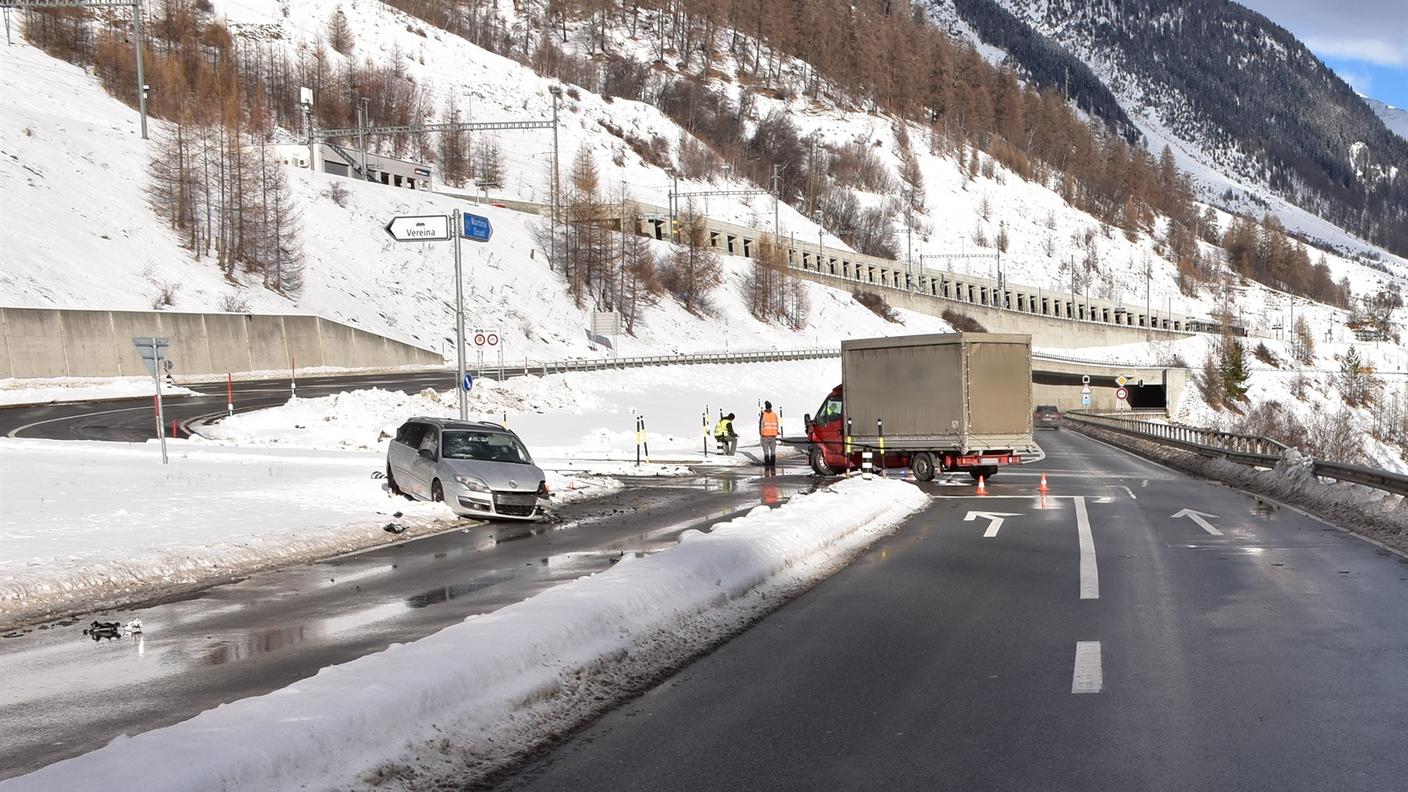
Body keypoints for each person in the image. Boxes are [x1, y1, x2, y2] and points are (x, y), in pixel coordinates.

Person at [759, 401, 780, 471]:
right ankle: (773, 462)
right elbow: (777, 423)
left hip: (765, 435)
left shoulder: (764, 414)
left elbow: (761, 424)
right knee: (773, 450)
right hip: (773, 435)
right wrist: (776, 431)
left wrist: (761, 432)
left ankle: (767, 463)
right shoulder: (774, 414)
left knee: (766, 450)